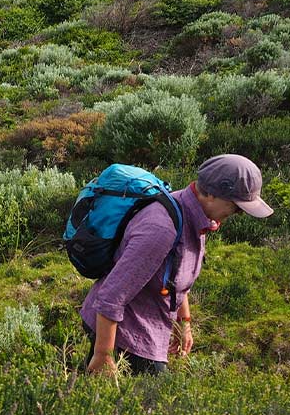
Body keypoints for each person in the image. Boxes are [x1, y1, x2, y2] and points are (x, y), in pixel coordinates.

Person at [83, 154, 274, 376]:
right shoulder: (161, 229)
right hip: (122, 335)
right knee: (147, 405)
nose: (239, 214)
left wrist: (183, 324)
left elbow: (176, 277)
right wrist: (104, 355)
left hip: (147, 327)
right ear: (211, 193)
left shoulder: (195, 215)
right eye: (236, 206)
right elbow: (111, 296)